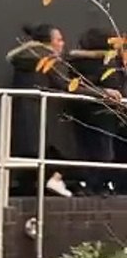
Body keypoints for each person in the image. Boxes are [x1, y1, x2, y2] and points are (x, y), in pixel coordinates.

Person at [6, 23, 99, 197]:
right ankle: (55, 179)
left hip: (26, 115)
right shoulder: (47, 59)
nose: (62, 43)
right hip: (46, 115)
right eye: (59, 39)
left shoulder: (24, 60)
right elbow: (65, 85)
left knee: (34, 155)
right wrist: (102, 93)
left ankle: (35, 186)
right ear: (48, 42)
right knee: (63, 150)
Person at [67, 27, 126, 195]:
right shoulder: (108, 64)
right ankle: (101, 185)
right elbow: (116, 86)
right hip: (106, 113)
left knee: (86, 148)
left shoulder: (73, 63)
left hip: (82, 111)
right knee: (104, 149)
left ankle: (88, 183)